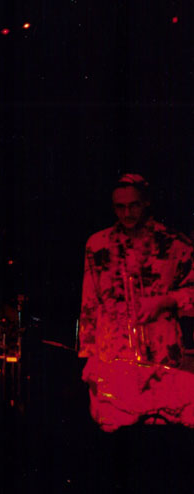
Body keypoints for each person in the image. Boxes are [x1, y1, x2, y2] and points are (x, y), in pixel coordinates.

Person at [79, 173, 194, 430]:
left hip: (161, 356)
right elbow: (90, 302)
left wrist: (165, 301)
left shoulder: (175, 244)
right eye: (120, 207)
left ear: (146, 203)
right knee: (117, 434)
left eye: (134, 205)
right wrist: (89, 355)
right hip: (113, 356)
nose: (127, 213)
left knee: (161, 432)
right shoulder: (97, 245)